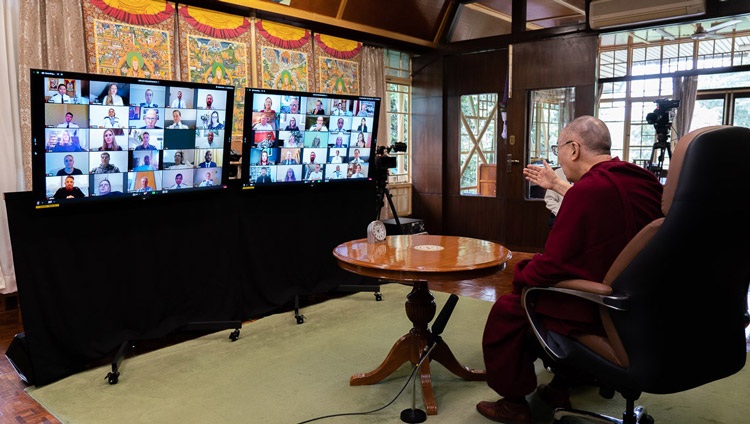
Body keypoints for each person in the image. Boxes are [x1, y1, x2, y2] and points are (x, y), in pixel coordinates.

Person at [476, 116, 664, 424]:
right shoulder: (643, 180)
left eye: (558, 148)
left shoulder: (589, 191)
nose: (559, 157)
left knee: (511, 307)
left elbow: (554, 265)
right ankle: (560, 387)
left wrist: (522, 274)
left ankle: (513, 404)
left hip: (603, 305)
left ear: (574, 149)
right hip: (646, 304)